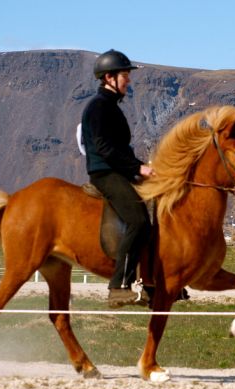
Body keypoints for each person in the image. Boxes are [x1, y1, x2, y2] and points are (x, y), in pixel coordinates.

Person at [81, 49, 154, 308]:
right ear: (109, 77)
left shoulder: (110, 106)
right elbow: (105, 148)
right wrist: (137, 168)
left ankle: (151, 282)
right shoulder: (99, 107)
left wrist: (138, 168)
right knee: (138, 221)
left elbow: (119, 149)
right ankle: (119, 286)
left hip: (119, 171)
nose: (128, 80)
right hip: (106, 173)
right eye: (125, 75)